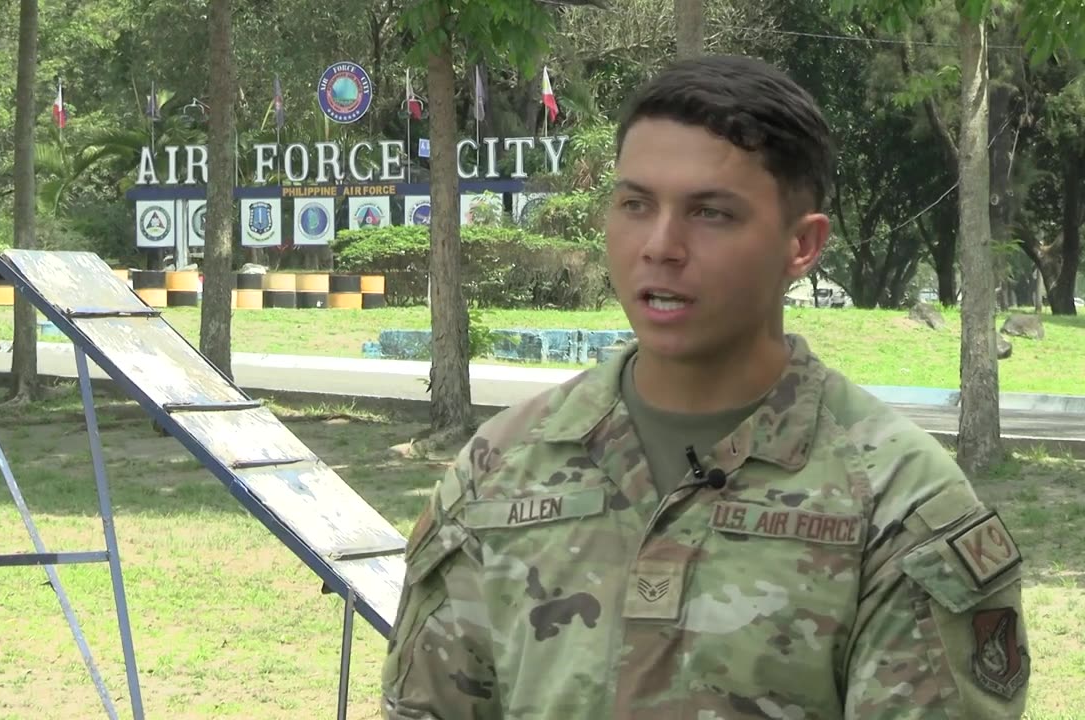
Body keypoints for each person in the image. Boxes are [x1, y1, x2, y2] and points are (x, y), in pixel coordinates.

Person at [379, 54, 1030, 719]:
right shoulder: (499, 470)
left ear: (801, 247)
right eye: (635, 204)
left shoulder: (901, 504)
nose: (660, 245)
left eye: (710, 213)